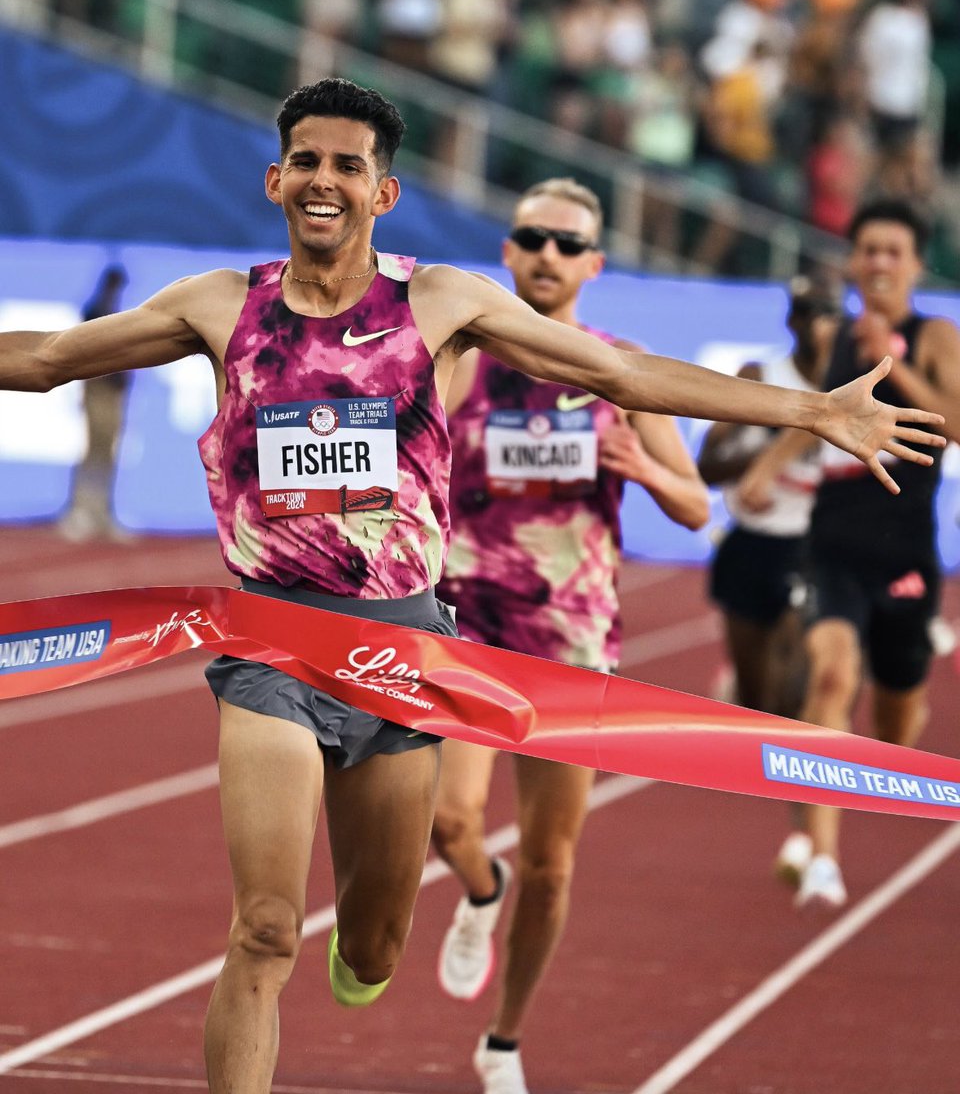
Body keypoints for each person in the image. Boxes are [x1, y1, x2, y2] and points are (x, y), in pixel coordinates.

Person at [0, 82, 944, 1094]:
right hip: (271, 644)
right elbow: (51, 358)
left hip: (402, 650)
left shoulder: (437, 305)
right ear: (276, 179)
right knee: (266, 927)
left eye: (347, 165)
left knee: (374, 944)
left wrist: (806, 411)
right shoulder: (221, 305)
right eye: (306, 161)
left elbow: (621, 376)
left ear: (384, 192)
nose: (324, 180)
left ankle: (364, 949)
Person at [430, 177, 710, 1094]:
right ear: (507, 253)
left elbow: (697, 505)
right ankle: (479, 885)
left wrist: (642, 465)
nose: (546, 255)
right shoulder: (463, 359)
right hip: (469, 627)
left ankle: (504, 1041)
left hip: (572, 646)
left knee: (551, 866)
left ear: (593, 264)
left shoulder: (620, 370)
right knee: (448, 819)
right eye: (530, 237)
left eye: (566, 243)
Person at [737, 198, 960, 910]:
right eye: (869, 250)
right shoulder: (837, 338)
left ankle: (869, 774)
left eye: (895, 251)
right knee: (829, 677)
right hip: (832, 545)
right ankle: (823, 857)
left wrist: (889, 356)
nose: (881, 263)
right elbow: (817, 416)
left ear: (916, 262)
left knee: (896, 721)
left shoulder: (932, 334)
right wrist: (767, 466)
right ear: (854, 260)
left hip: (902, 552)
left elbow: (956, 426)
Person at [698, 272, 842, 884]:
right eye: (809, 312)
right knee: (758, 700)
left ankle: (805, 835)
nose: (821, 323)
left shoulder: (853, 390)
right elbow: (708, 465)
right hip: (751, 545)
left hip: (810, 550)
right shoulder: (761, 379)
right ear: (792, 323)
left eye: (830, 311)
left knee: (795, 687)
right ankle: (742, 686)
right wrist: (767, 453)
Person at [58, 260, 132, 541]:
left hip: (113, 392)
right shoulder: (93, 311)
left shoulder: (115, 312)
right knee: (92, 450)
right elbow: (83, 353)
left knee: (108, 452)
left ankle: (102, 512)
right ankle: (79, 510)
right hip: (97, 390)